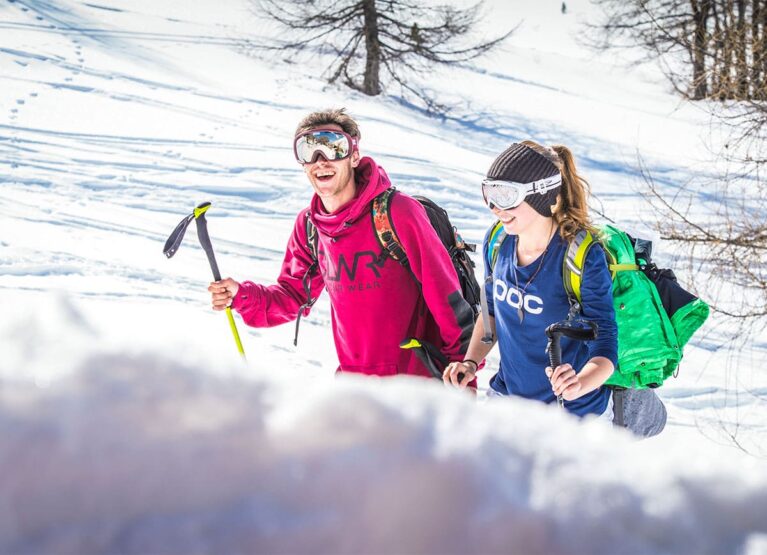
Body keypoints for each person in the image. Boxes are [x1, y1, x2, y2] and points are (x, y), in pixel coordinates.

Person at [208, 108, 474, 379]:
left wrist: (463, 370)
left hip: (415, 386)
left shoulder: (398, 212)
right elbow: (293, 296)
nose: (320, 161)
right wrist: (241, 295)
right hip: (354, 386)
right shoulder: (310, 226)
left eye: (333, 147)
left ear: (354, 155)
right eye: (307, 150)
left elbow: (447, 297)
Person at [442, 141, 666, 436]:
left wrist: (580, 384)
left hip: (571, 417)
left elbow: (605, 342)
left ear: (545, 197)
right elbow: (492, 314)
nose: (495, 207)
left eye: (507, 195)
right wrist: (471, 361)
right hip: (507, 403)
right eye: (490, 193)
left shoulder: (582, 255)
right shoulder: (498, 241)